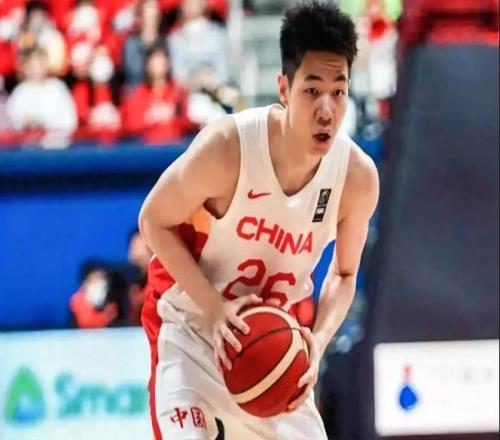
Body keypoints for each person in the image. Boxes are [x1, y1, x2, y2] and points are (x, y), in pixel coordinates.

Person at [139, 2, 379, 439]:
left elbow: (344, 275)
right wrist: (214, 310)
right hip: (192, 330)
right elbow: (153, 221)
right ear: (284, 88)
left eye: (338, 92)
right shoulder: (227, 148)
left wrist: (317, 342)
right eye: (312, 90)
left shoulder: (357, 178)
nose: (326, 109)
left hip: (267, 350)